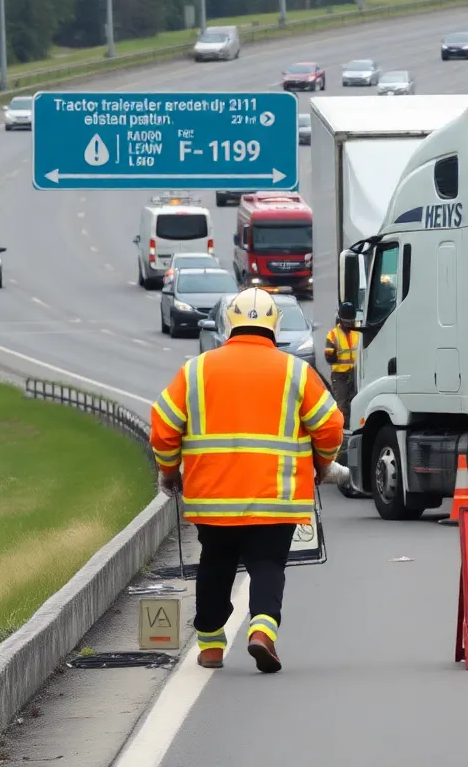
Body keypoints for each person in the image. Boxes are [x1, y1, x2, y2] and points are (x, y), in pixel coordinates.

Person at [150, 287, 344, 674]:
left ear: (228, 323)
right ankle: (262, 631)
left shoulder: (196, 370)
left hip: (213, 499)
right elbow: (330, 426)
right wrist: (322, 466)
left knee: (216, 563)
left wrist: (169, 472)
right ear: (275, 325)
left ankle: (210, 647)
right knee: (268, 563)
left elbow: (164, 428)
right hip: (276, 498)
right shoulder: (295, 371)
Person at [324, 301, 360, 421]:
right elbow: (329, 357)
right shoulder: (333, 334)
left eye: (351, 321)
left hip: (356, 373)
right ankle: (343, 427)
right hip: (340, 376)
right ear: (341, 319)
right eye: (346, 321)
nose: (349, 324)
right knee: (342, 404)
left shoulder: (359, 331)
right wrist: (331, 354)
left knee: (356, 402)